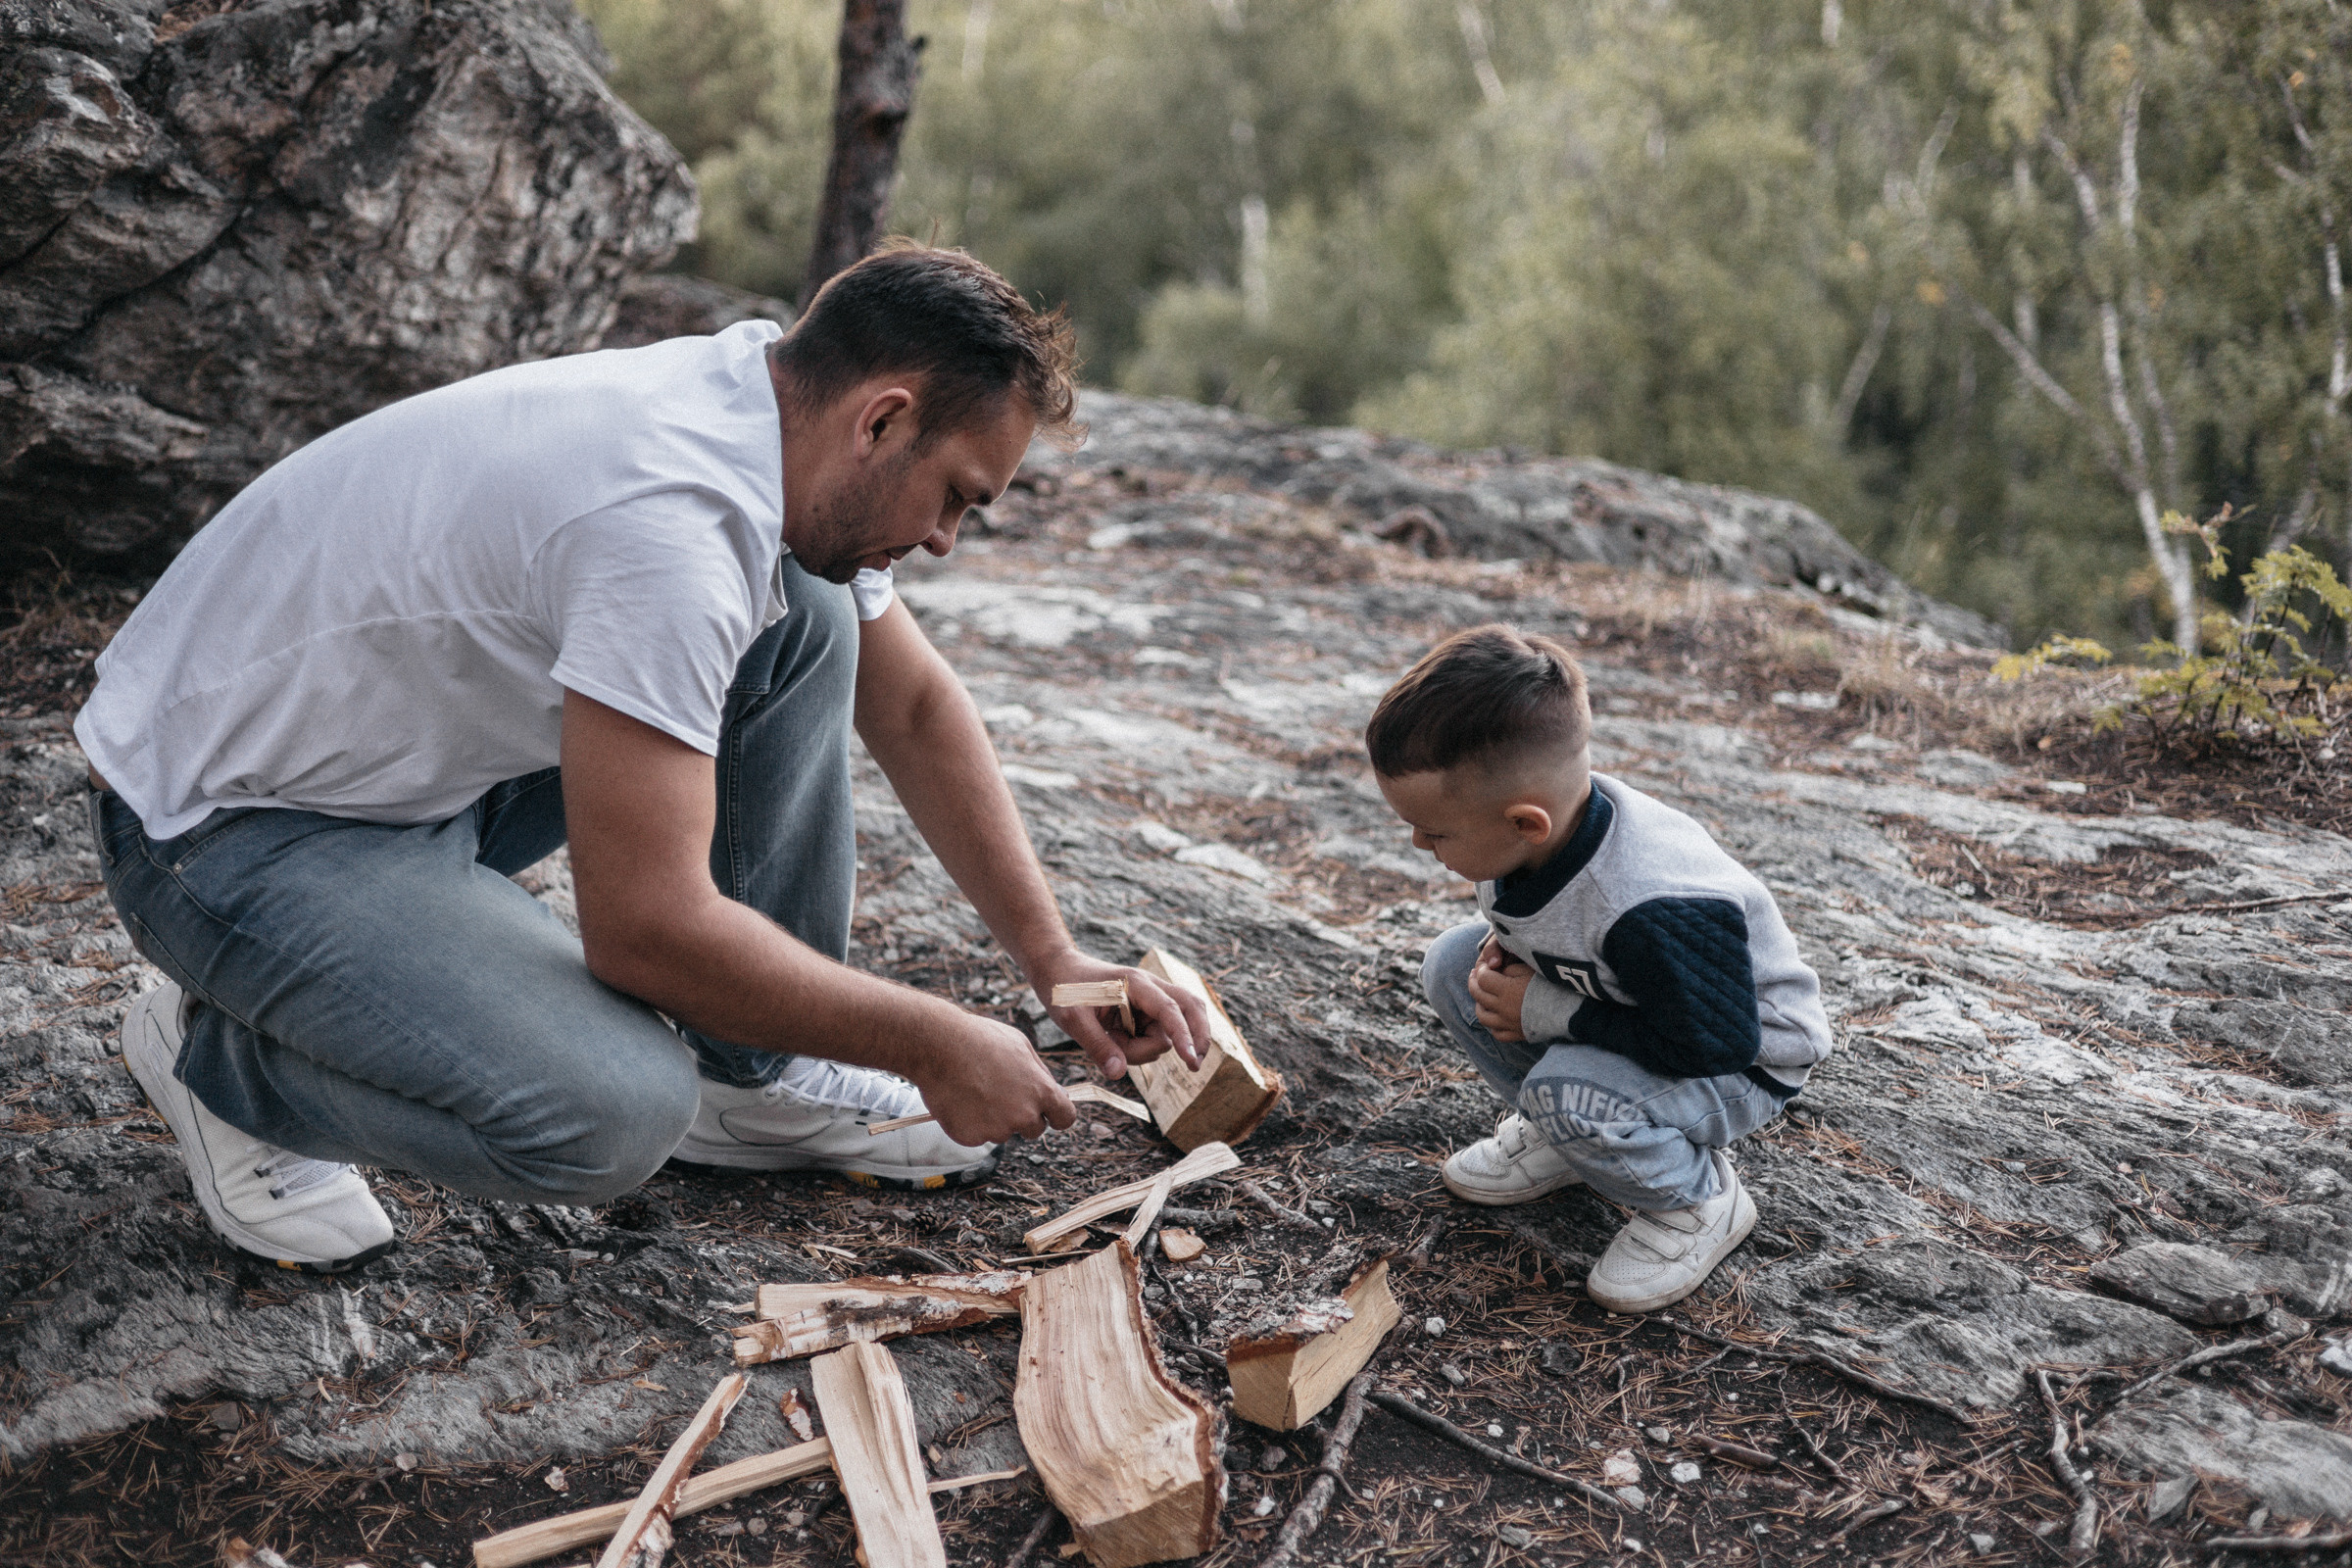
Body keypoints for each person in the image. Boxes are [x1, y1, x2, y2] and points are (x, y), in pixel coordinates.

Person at [74, 242, 1208, 1275]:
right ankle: (225, 1067)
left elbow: (908, 705)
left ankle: (750, 1076)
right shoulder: (671, 525)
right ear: (881, 421)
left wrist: (1054, 958)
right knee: (610, 1111)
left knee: (810, 615)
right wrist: (930, 1042)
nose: (947, 538)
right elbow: (646, 928)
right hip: (219, 826)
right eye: (956, 494)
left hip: (377, 762)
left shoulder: (764, 409)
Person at [1365, 624, 1833, 1312]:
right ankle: (1572, 1140)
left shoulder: (1649, 907)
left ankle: (1696, 1200)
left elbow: (1717, 1043)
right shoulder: (1537, 834)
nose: (1416, 842)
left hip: (1741, 1060)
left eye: (1434, 833)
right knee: (1452, 967)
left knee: (1568, 1092)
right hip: (1641, 1009)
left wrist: (1549, 1011)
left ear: (1526, 823)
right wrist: (1510, 948)